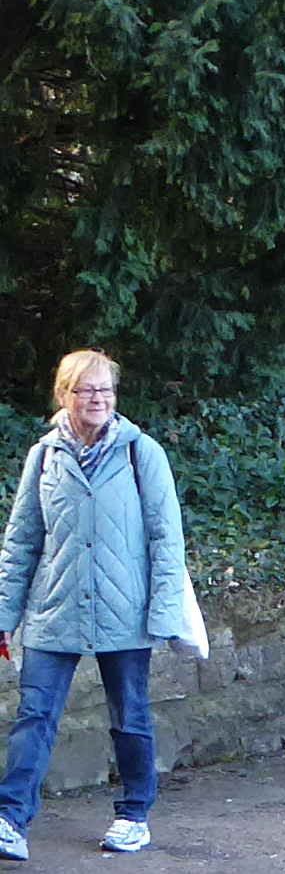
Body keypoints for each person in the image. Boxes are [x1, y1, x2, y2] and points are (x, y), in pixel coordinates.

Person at [0, 350, 188, 860]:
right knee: (34, 716)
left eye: (105, 389)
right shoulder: (44, 455)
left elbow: (166, 538)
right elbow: (21, 540)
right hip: (54, 608)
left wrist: (164, 612)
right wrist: (4, 616)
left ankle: (133, 813)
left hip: (123, 610)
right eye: (86, 390)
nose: (98, 399)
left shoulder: (140, 453)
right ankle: (10, 820)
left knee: (130, 717)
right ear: (64, 395)